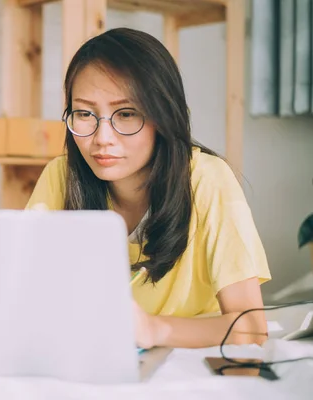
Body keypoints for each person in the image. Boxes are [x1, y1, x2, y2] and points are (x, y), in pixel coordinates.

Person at [25, 28, 271, 349]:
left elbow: (251, 328)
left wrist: (155, 330)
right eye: (84, 114)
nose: (103, 138)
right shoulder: (62, 176)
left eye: (126, 114)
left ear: (163, 115)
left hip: (191, 366)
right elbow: (24, 295)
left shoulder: (206, 179)